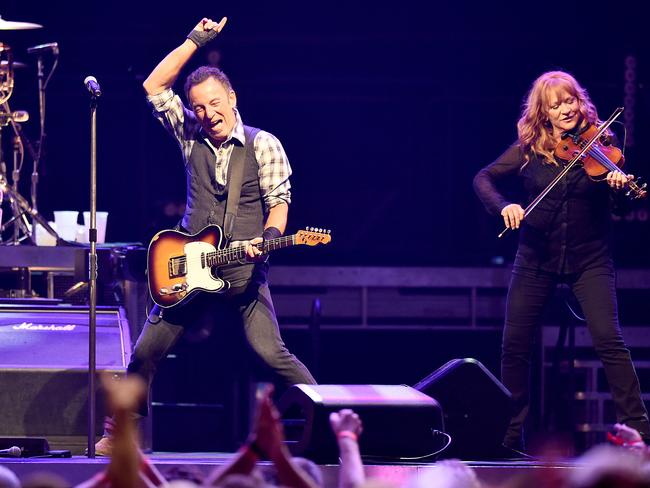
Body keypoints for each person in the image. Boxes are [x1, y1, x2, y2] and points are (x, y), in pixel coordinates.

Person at [95, 15, 316, 455]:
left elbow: (280, 201)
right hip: (189, 266)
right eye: (198, 106)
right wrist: (195, 40)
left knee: (272, 354)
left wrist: (268, 237)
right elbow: (154, 86)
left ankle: (331, 421)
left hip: (242, 272)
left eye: (215, 103)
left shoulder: (262, 144)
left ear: (232, 98)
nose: (207, 113)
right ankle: (121, 434)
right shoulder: (189, 133)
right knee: (145, 352)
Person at [473, 70, 650, 451]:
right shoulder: (529, 146)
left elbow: (618, 209)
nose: (565, 109)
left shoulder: (603, 140)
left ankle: (641, 434)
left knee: (609, 339)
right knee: (515, 345)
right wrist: (505, 206)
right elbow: (483, 178)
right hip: (536, 257)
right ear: (544, 112)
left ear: (579, 101)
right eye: (555, 105)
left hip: (591, 259)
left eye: (569, 100)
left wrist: (620, 189)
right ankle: (508, 438)